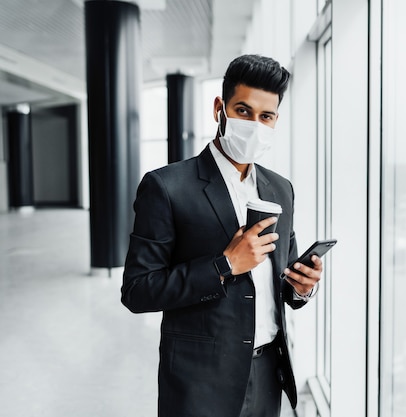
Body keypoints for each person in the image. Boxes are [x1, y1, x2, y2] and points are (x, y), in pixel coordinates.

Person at [121, 54, 322, 417]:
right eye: (244, 111)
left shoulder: (281, 189)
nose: (255, 125)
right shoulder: (167, 187)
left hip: (266, 373)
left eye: (266, 116)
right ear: (220, 108)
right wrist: (225, 265)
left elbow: (281, 278)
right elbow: (137, 291)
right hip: (199, 379)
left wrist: (301, 287)